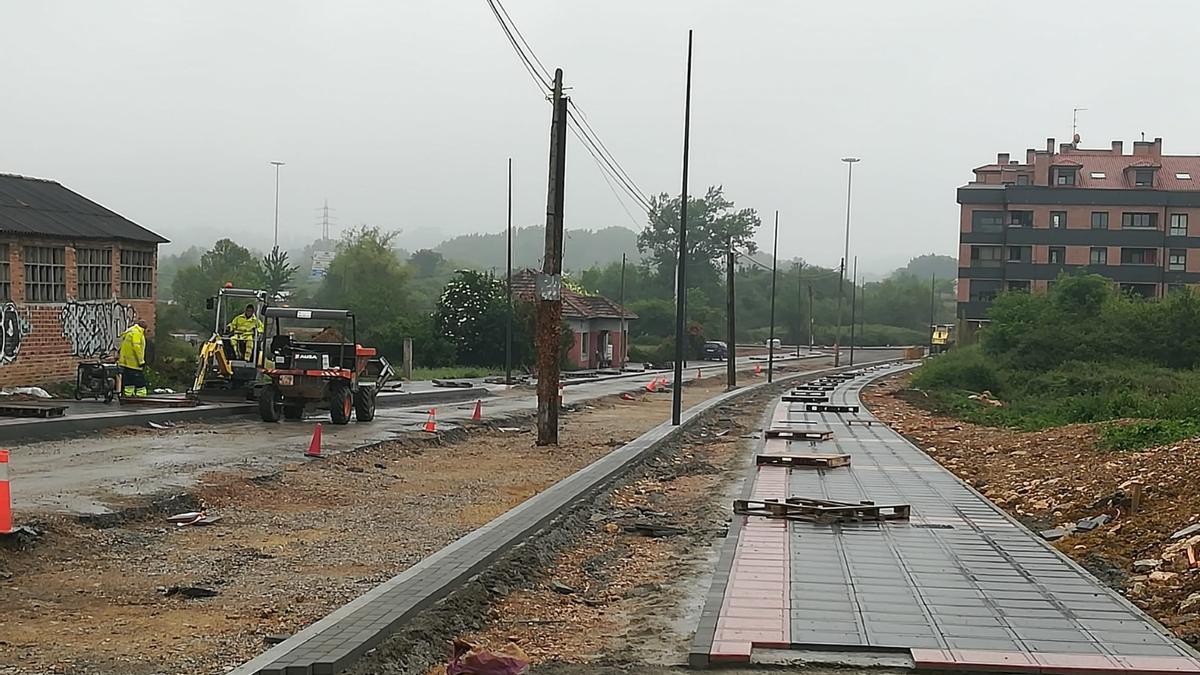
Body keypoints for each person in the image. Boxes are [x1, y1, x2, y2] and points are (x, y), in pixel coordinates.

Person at [118, 319, 149, 398]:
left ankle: (128, 395)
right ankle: (141, 395)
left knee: (128, 381)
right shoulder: (137, 333)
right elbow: (136, 347)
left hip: (125, 362)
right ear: (143, 328)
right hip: (134, 363)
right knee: (139, 381)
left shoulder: (130, 332)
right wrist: (141, 361)